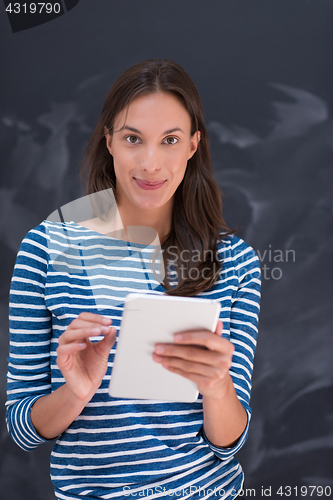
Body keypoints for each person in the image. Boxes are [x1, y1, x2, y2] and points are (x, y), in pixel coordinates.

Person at [6, 59, 261, 499]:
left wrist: (218, 388)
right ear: (109, 141)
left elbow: (230, 442)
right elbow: (22, 429)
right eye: (132, 139)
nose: (150, 163)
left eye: (170, 141)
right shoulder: (46, 248)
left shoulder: (235, 261)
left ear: (193, 145)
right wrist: (75, 393)